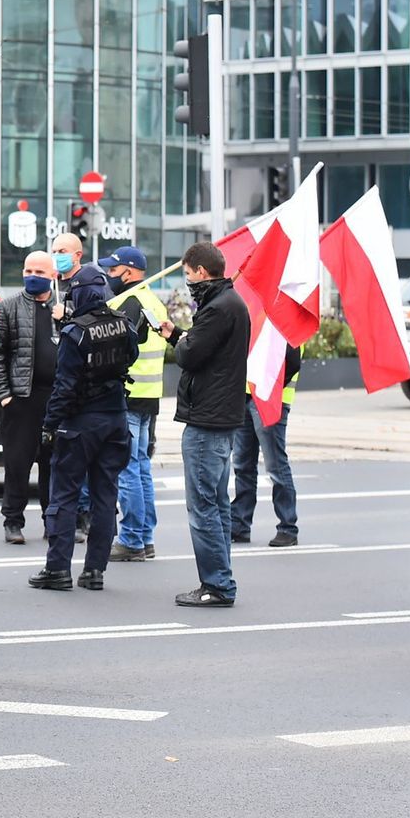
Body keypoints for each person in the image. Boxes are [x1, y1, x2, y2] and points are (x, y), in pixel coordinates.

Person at [29, 267, 140, 592]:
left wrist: (49, 426)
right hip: (116, 421)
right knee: (105, 497)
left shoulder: (74, 333)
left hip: (79, 425)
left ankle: (58, 570)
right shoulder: (125, 325)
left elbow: (64, 387)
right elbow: (130, 357)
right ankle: (94, 572)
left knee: (64, 496)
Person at [159, 241, 249, 608]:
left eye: (188, 274)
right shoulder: (229, 303)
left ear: (200, 271)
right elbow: (203, 348)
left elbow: (191, 356)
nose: (187, 281)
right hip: (222, 416)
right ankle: (221, 579)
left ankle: (217, 584)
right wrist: (178, 335)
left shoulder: (217, 308)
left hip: (207, 419)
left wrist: (180, 344)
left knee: (204, 507)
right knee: (217, 503)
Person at [0, 251, 59, 545]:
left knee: (53, 466)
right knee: (17, 465)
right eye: (29, 270)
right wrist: (5, 395)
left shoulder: (63, 309)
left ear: (52, 276)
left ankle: (52, 521)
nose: (33, 276)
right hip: (21, 401)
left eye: (40, 272)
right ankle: (12, 521)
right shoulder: (8, 307)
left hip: (56, 402)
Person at [102, 247, 168, 563]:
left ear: (128, 272)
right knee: (140, 468)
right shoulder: (152, 300)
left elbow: (118, 347)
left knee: (128, 468)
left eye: (113, 271)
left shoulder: (130, 302)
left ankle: (131, 540)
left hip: (128, 393)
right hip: (149, 394)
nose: (108, 276)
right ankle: (146, 538)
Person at [230, 345, 302, 548]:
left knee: (276, 465)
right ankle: (239, 525)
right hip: (247, 393)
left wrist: (271, 388)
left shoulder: (286, 319)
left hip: (271, 397)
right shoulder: (259, 313)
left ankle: (288, 527)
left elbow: (293, 360)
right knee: (243, 464)